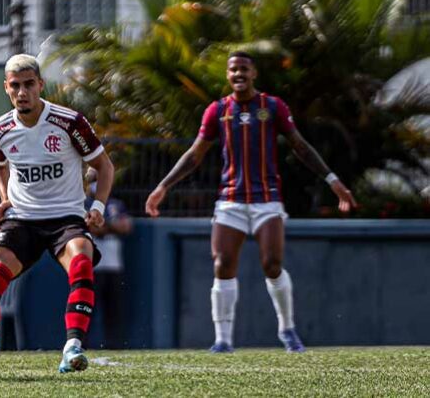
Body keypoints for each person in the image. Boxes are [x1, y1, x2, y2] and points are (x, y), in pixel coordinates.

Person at [144, 51, 358, 353]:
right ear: (227, 75)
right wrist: (163, 186)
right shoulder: (217, 110)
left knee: (272, 264)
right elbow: (195, 154)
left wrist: (333, 180)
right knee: (222, 264)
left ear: (254, 73)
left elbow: (300, 146)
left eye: (244, 69)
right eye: (233, 70)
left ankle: (287, 329)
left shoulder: (272, 107)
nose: (238, 74)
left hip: (266, 200)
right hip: (230, 200)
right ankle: (223, 339)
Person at [0, 54, 115, 375]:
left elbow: (103, 166)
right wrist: (5, 198)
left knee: (81, 260)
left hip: (66, 217)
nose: (23, 92)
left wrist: (98, 206)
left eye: (29, 85)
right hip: (22, 218)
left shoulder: (69, 122)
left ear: (40, 85)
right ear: (6, 88)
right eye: (16, 86)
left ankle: (73, 347)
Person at [84, 167, 132, 349]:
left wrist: (106, 226)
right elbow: (92, 228)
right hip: (92, 264)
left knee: (115, 309)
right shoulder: (84, 204)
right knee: (88, 307)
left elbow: (126, 226)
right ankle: (81, 344)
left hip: (114, 264)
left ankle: (116, 345)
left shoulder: (115, 204)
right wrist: (110, 227)